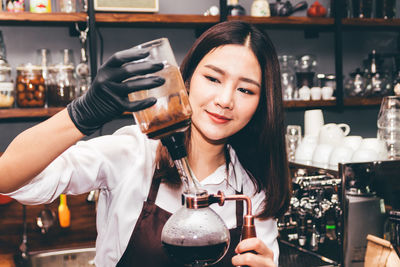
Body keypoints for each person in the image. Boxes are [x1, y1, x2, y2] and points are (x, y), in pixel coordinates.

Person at [0, 21, 290, 267]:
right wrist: (80, 115)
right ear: (186, 79)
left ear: (260, 103)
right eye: (213, 78)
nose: (225, 100)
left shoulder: (252, 189)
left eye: (245, 89)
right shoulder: (133, 152)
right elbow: (8, 178)